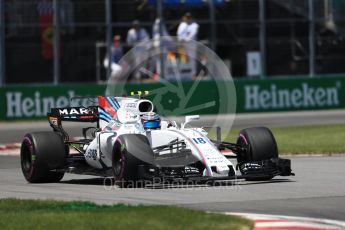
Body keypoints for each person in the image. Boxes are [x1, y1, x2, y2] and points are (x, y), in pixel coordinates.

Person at [176, 12, 199, 79]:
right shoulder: (182, 24)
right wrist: (181, 40)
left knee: (192, 59)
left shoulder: (195, 25)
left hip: (191, 44)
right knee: (183, 59)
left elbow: (192, 35)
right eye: (187, 17)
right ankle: (182, 74)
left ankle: (193, 74)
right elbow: (179, 34)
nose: (188, 19)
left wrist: (185, 39)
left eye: (189, 17)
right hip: (183, 44)